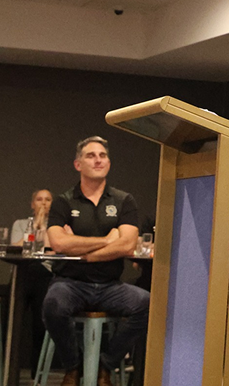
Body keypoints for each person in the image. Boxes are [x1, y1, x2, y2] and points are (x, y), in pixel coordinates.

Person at [44, 137, 150, 386]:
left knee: (146, 304)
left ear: (109, 163)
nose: (98, 159)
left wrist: (82, 252)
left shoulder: (124, 200)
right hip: (71, 282)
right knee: (53, 303)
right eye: (91, 155)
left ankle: (106, 365)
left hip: (110, 285)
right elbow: (58, 243)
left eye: (102, 155)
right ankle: (73, 366)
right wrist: (106, 240)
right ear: (78, 164)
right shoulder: (64, 201)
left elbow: (127, 244)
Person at [11, 189, 55, 376]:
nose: (43, 203)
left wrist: (42, 228)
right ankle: (11, 370)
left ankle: (37, 372)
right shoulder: (20, 224)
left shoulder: (56, 226)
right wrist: (34, 227)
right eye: (39, 199)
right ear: (32, 204)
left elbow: (55, 250)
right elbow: (16, 248)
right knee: (30, 269)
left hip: (46, 275)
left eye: (47, 200)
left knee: (40, 322)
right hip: (23, 273)